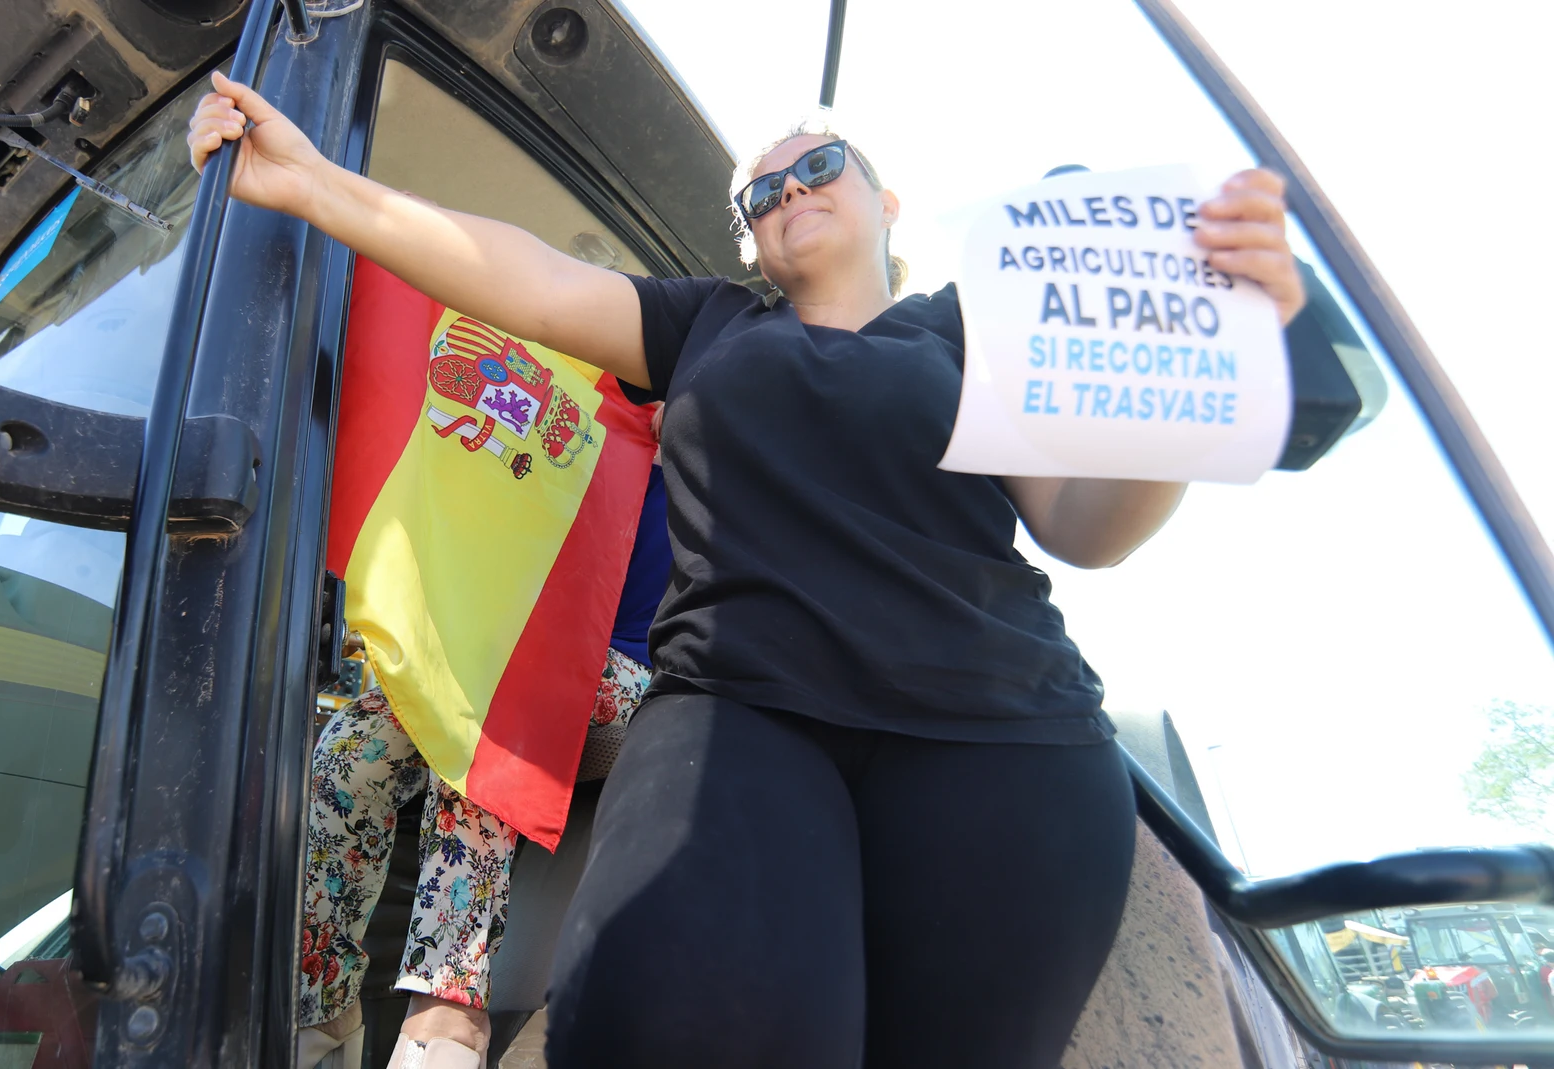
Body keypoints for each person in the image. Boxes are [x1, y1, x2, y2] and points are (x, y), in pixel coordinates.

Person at [190, 71, 1312, 1067]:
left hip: (1004, 731)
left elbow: (1084, 525)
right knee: (685, 1021)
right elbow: (521, 278)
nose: (787, 195)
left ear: (887, 203)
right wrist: (311, 185)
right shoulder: (710, 325)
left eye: (816, 168)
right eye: (760, 196)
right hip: (736, 707)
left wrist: (1191, 358)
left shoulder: (972, 329)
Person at [297, 438, 672, 1069]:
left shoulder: (690, 416)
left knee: (487, 708)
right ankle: (324, 997)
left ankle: (450, 1010)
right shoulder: (533, 404)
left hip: (628, 673)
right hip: (491, 658)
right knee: (351, 750)